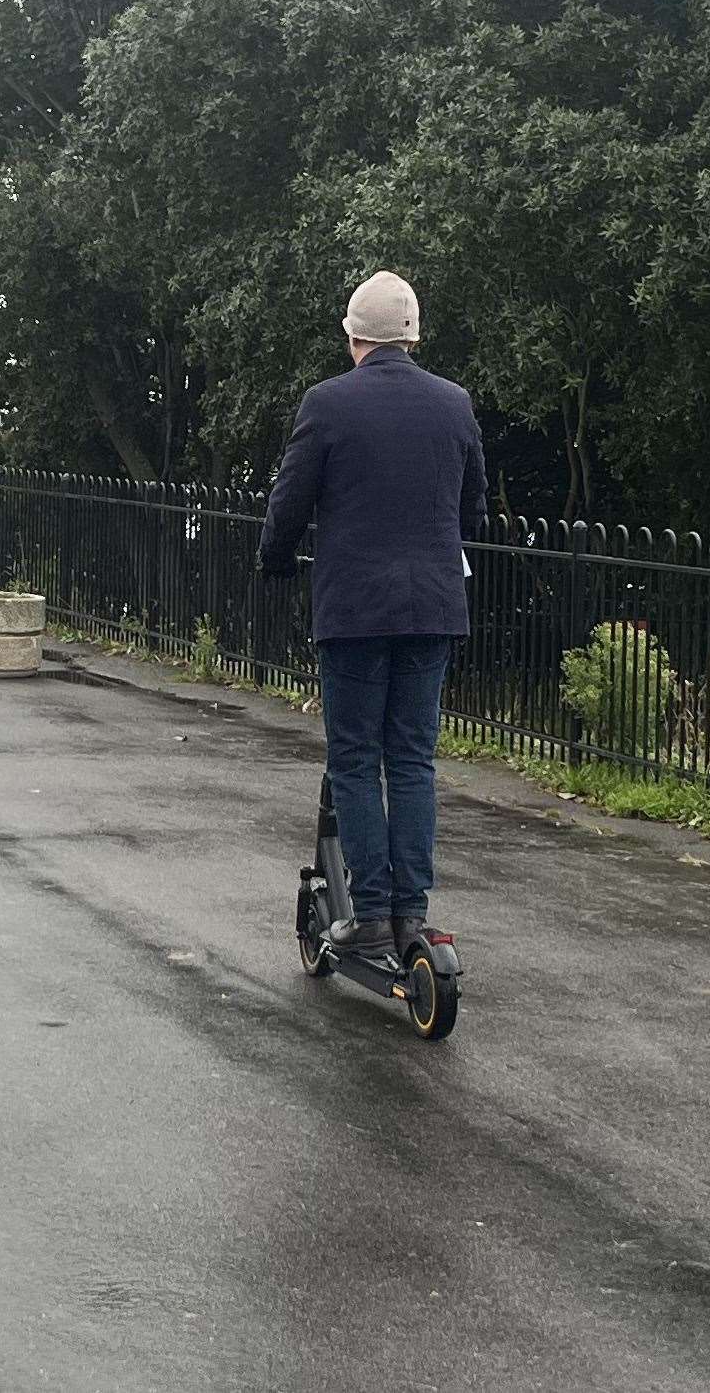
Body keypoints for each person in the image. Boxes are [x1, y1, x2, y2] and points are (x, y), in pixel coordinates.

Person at [258, 271, 488, 964]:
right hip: (433, 605)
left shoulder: (327, 403)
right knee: (412, 758)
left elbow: (291, 498)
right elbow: (471, 509)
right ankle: (413, 910)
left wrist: (273, 558)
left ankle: (371, 913)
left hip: (355, 608)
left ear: (353, 334)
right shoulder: (454, 403)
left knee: (355, 759)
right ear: (413, 335)